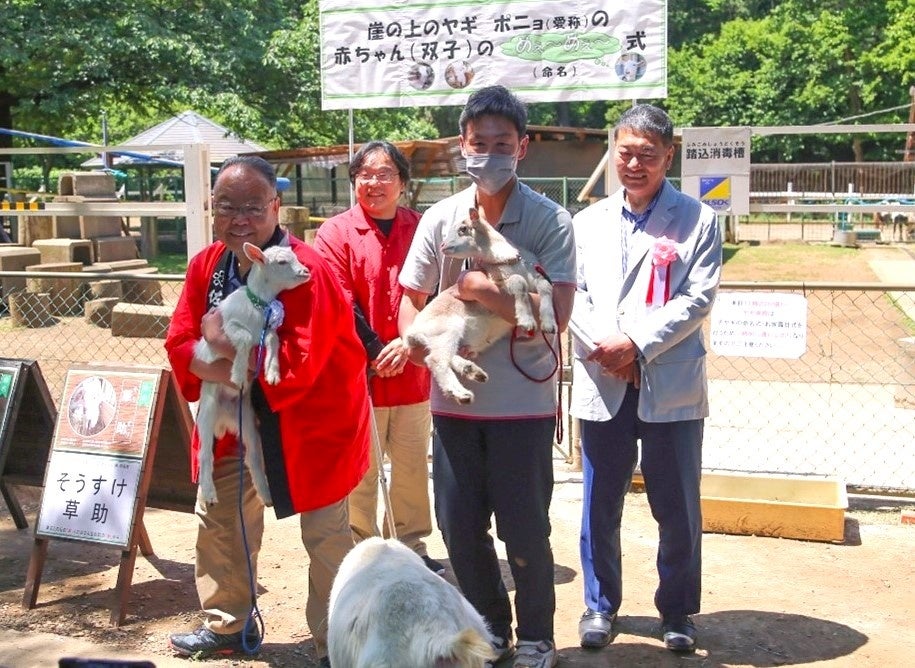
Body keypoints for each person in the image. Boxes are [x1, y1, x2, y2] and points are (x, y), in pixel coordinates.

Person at [164, 156, 370, 666]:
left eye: (253, 207)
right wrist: (219, 358)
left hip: (313, 422)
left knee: (326, 537)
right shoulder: (207, 265)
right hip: (235, 421)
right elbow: (181, 340)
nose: (239, 218)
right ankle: (226, 623)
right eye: (226, 206)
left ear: (276, 207)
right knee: (220, 519)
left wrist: (220, 348)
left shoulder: (304, 270)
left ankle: (335, 643)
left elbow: (298, 361)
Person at [398, 85, 576, 668]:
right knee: (459, 528)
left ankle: (537, 637)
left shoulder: (549, 220)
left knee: (524, 531)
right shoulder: (441, 218)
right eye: (480, 144)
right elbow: (411, 299)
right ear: (463, 147)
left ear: (522, 147)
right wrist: (424, 348)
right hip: (454, 406)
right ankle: (491, 628)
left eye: (503, 144)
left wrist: (476, 288)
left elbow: (557, 316)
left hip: (521, 406)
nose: (491, 155)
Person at [569, 104, 722, 653]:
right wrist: (609, 349)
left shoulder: (699, 220)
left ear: (668, 157)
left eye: (647, 156)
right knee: (598, 502)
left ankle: (677, 610)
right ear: (613, 151)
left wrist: (637, 345)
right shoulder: (585, 223)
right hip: (606, 382)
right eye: (625, 153)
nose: (634, 165)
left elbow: (697, 297)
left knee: (677, 504)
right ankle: (599, 605)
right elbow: (573, 295)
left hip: (669, 387)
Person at [312, 140, 444, 575]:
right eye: (365, 174)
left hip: (412, 373)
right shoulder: (336, 232)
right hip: (358, 375)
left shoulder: (422, 227)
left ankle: (413, 544)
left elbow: (437, 294)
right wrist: (374, 350)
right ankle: (361, 548)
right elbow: (338, 299)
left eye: (385, 173)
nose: (374, 182)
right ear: (354, 182)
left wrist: (410, 345)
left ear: (403, 183)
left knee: (409, 468)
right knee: (361, 470)